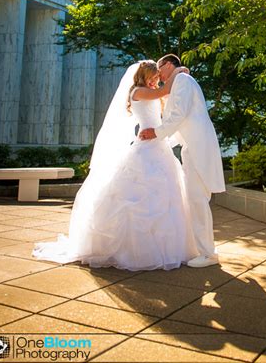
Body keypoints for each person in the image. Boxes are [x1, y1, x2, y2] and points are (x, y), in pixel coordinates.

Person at [33, 60, 198, 271]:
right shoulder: (137, 92)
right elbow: (167, 90)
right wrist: (179, 71)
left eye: (157, 77)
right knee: (137, 197)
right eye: (154, 76)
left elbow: (170, 96)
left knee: (168, 195)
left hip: (159, 146)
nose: (157, 80)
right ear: (144, 75)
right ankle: (133, 252)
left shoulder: (151, 91)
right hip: (146, 146)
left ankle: (171, 247)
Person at [140, 54, 226, 268]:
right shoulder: (180, 80)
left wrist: (156, 134)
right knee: (196, 200)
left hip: (198, 147)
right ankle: (205, 249)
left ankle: (208, 254)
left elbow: (178, 114)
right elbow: (178, 118)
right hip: (191, 147)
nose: (158, 74)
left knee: (197, 200)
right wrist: (162, 143)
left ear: (169, 64)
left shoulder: (183, 81)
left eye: (160, 68)